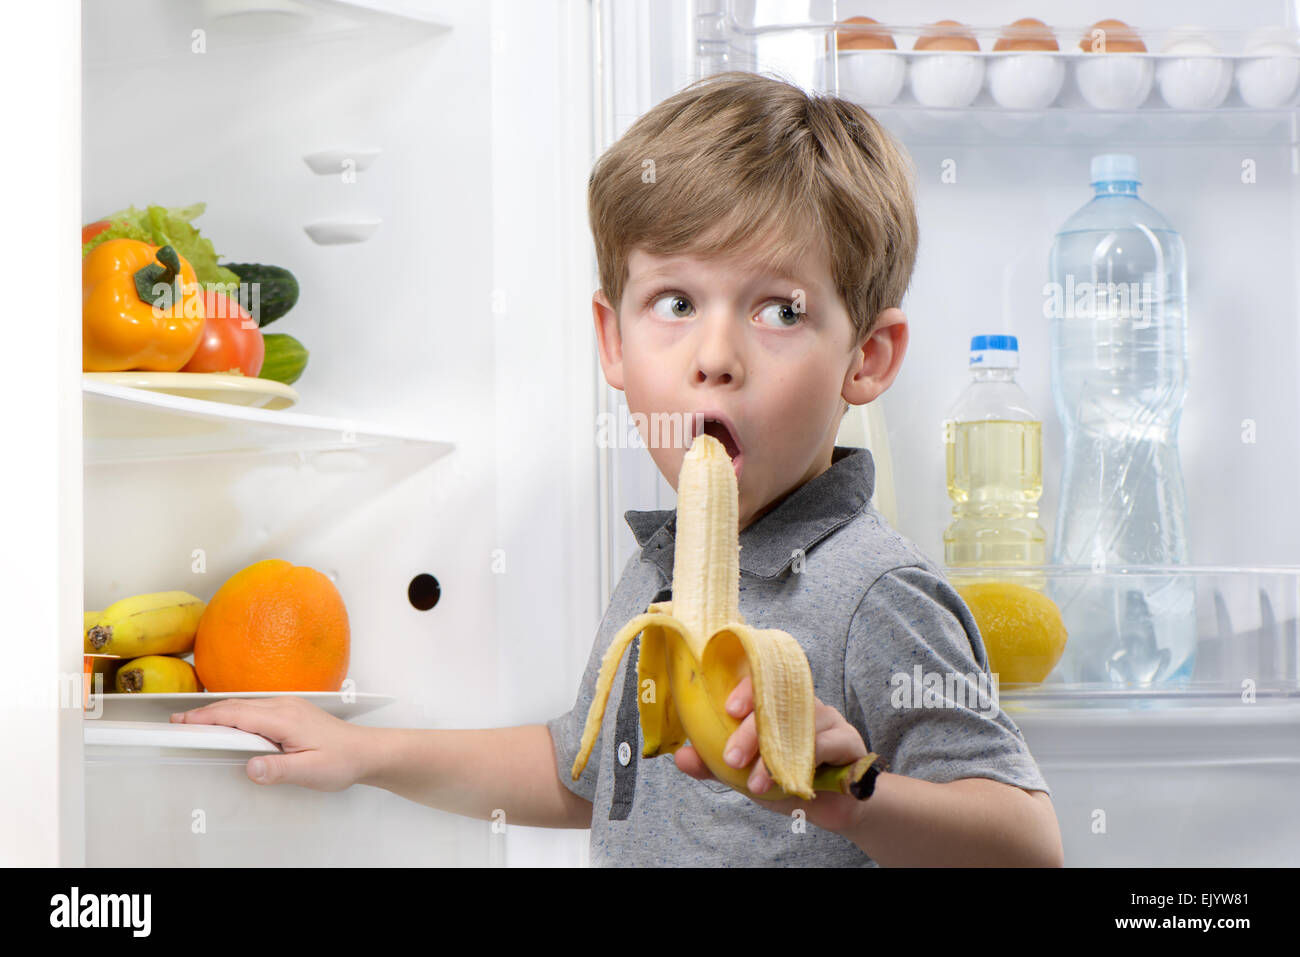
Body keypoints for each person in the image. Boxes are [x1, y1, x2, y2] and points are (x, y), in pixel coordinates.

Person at [173, 70, 1063, 867]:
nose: (715, 356)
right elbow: (587, 774)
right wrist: (368, 755)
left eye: (780, 310)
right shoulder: (659, 574)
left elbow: (1027, 842)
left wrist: (855, 793)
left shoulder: (876, 592)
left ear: (866, 358)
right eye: (675, 302)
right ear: (613, 338)